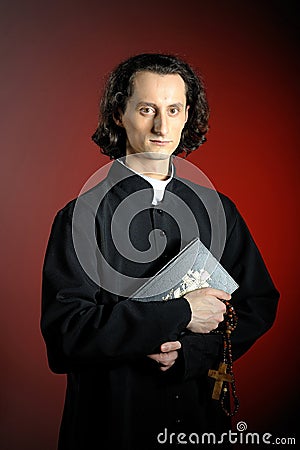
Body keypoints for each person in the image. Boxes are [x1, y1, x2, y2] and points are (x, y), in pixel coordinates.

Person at [41, 53, 279, 450]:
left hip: (199, 421)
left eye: (173, 109)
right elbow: (65, 337)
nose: (161, 126)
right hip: (111, 423)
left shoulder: (219, 210)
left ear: (187, 115)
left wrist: (193, 352)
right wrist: (182, 312)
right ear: (120, 113)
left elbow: (257, 304)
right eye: (147, 109)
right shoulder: (80, 217)